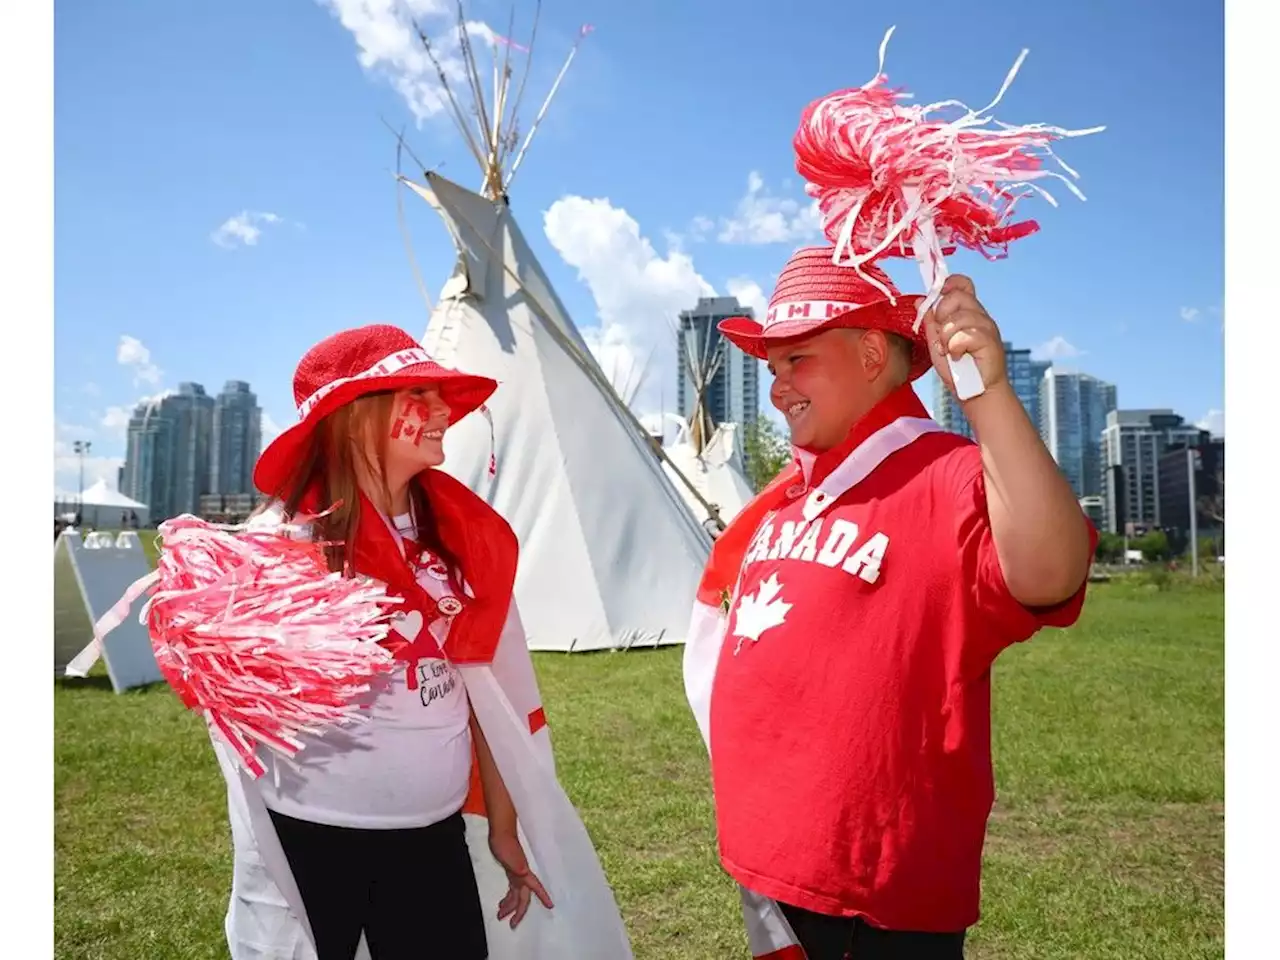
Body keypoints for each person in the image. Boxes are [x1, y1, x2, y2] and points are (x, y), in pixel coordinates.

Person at [683, 246, 1097, 960]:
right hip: (774, 877)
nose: (779, 388)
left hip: (872, 904)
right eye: (773, 367)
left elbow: (1051, 572)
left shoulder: (945, 475)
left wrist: (988, 394)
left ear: (873, 352)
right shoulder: (787, 498)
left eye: (798, 360)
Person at [215, 324, 631, 960]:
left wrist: (504, 824)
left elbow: (488, 690)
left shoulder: (465, 537)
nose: (443, 411)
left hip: (431, 840)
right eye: (419, 393)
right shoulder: (281, 546)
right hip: (309, 839)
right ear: (354, 418)